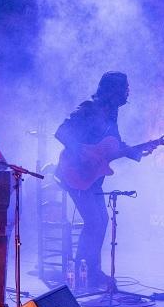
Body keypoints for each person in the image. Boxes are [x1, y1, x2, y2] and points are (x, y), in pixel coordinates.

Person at [55, 72, 151, 289]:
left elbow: (114, 146)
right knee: (95, 221)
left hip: (92, 177)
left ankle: (89, 271)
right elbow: (62, 132)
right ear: (112, 90)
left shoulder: (112, 115)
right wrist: (82, 151)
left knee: (101, 221)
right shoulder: (89, 108)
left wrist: (136, 152)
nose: (128, 92)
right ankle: (86, 273)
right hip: (74, 173)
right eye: (124, 88)